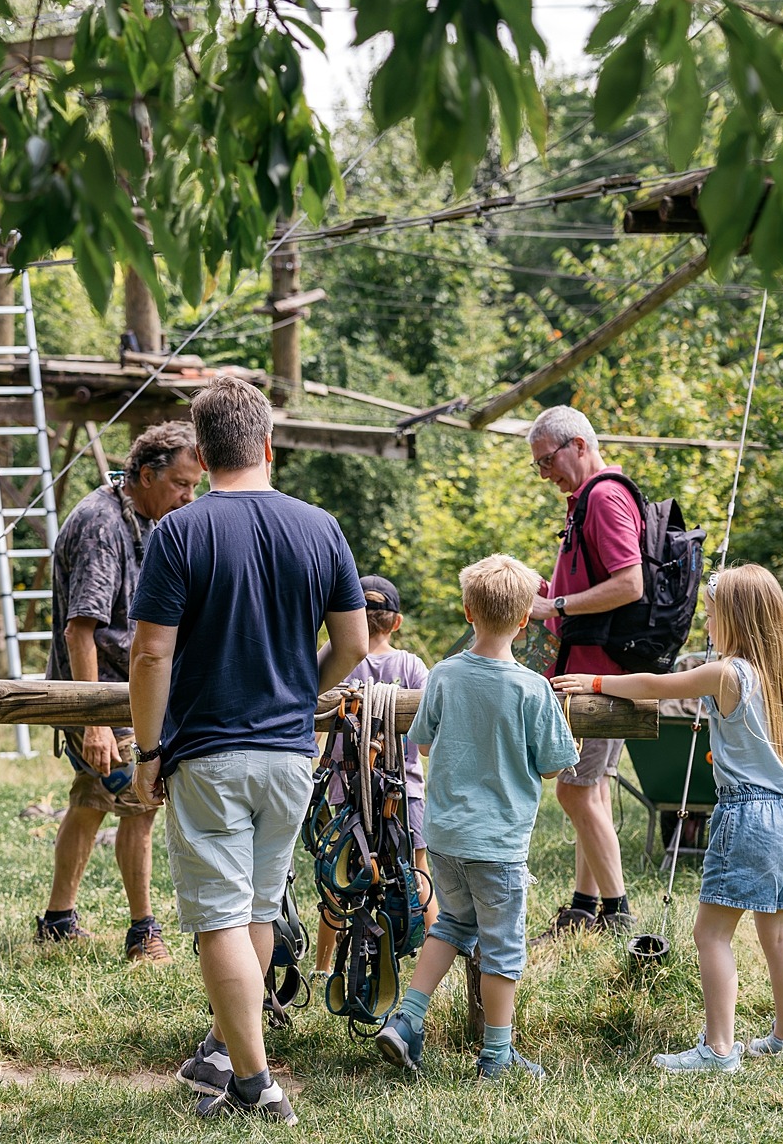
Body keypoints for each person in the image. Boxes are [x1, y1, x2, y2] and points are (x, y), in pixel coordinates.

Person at [127, 375, 369, 1125]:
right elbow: (354, 643)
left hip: (211, 750)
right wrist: (302, 690)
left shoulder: (180, 531)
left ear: (201, 451)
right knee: (259, 906)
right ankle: (233, 1052)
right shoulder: (319, 526)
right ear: (268, 445)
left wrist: (145, 751)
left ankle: (253, 1085)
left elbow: (149, 657)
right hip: (291, 753)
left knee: (219, 919)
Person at [555, 564, 783, 1072]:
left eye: (714, 617)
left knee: (710, 934)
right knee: (777, 933)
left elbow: (657, 683)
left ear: (737, 619)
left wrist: (595, 679)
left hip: (747, 815)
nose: (708, 628)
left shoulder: (727, 672)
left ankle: (718, 1049)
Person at [373, 554, 579, 1081]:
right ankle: (497, 1054)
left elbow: (419, 741)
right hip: (499, 843)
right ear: (525, 620)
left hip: (443, 836)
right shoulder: (533, 688)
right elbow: (556, 767)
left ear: (468, 611)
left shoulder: (442, 674)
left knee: (452, 925)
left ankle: (407, 1018)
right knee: (503, 949)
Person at [35, 422, 203, 962]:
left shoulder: (145, 518)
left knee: (90, 803)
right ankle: (142, 932)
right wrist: (94, 721)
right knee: (139, 806)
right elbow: (80, 628)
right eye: (180, 483)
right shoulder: (101, 523)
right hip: (101, 695)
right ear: (146, 474)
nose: (188, 496)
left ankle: (58, 919)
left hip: (122, 691)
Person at [525, 405, 643, 939]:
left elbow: (629, 584)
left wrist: (557, 608)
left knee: (572, 793)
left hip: (600, 673)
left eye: (546, 460)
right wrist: (543, 594)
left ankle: (618, 914)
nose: (544, 473)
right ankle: (582, 908)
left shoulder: (604, 497)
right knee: (589, 791)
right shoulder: (586, 501)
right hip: (594, 668)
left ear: (577, 444)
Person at [312, 574, 435, 984]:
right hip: (405, 791)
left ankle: (323, 966)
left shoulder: (337, 659)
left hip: (344, 790)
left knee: (338, 873)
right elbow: (425, 740)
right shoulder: (411, 666)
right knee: (416, 869)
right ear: (395, 623)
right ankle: (436, 964)